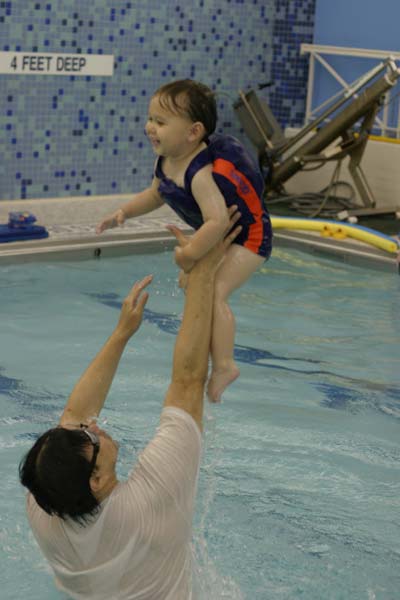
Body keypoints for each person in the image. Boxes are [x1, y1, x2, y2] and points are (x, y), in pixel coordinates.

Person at [19, 215, 241, 600]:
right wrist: (204, 270)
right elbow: (188, 381)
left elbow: (73, 416)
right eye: (91, 437)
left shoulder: (46, 504)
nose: (93, 426)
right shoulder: (149, 503)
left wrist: (122, 333)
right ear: (96, 481)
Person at [96, 79, 273, 403]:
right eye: (150, 118)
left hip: (249, 238)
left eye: (161, 122)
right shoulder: (166, 160)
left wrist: (189, 253)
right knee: (190, 286)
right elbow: (155, 194)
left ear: (193, 132)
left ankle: (225, 365)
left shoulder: (201, 173)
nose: (150, 127)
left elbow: (218, 220)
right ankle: (206, 349)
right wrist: (124, 212)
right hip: (221, 236)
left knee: (214, 292)